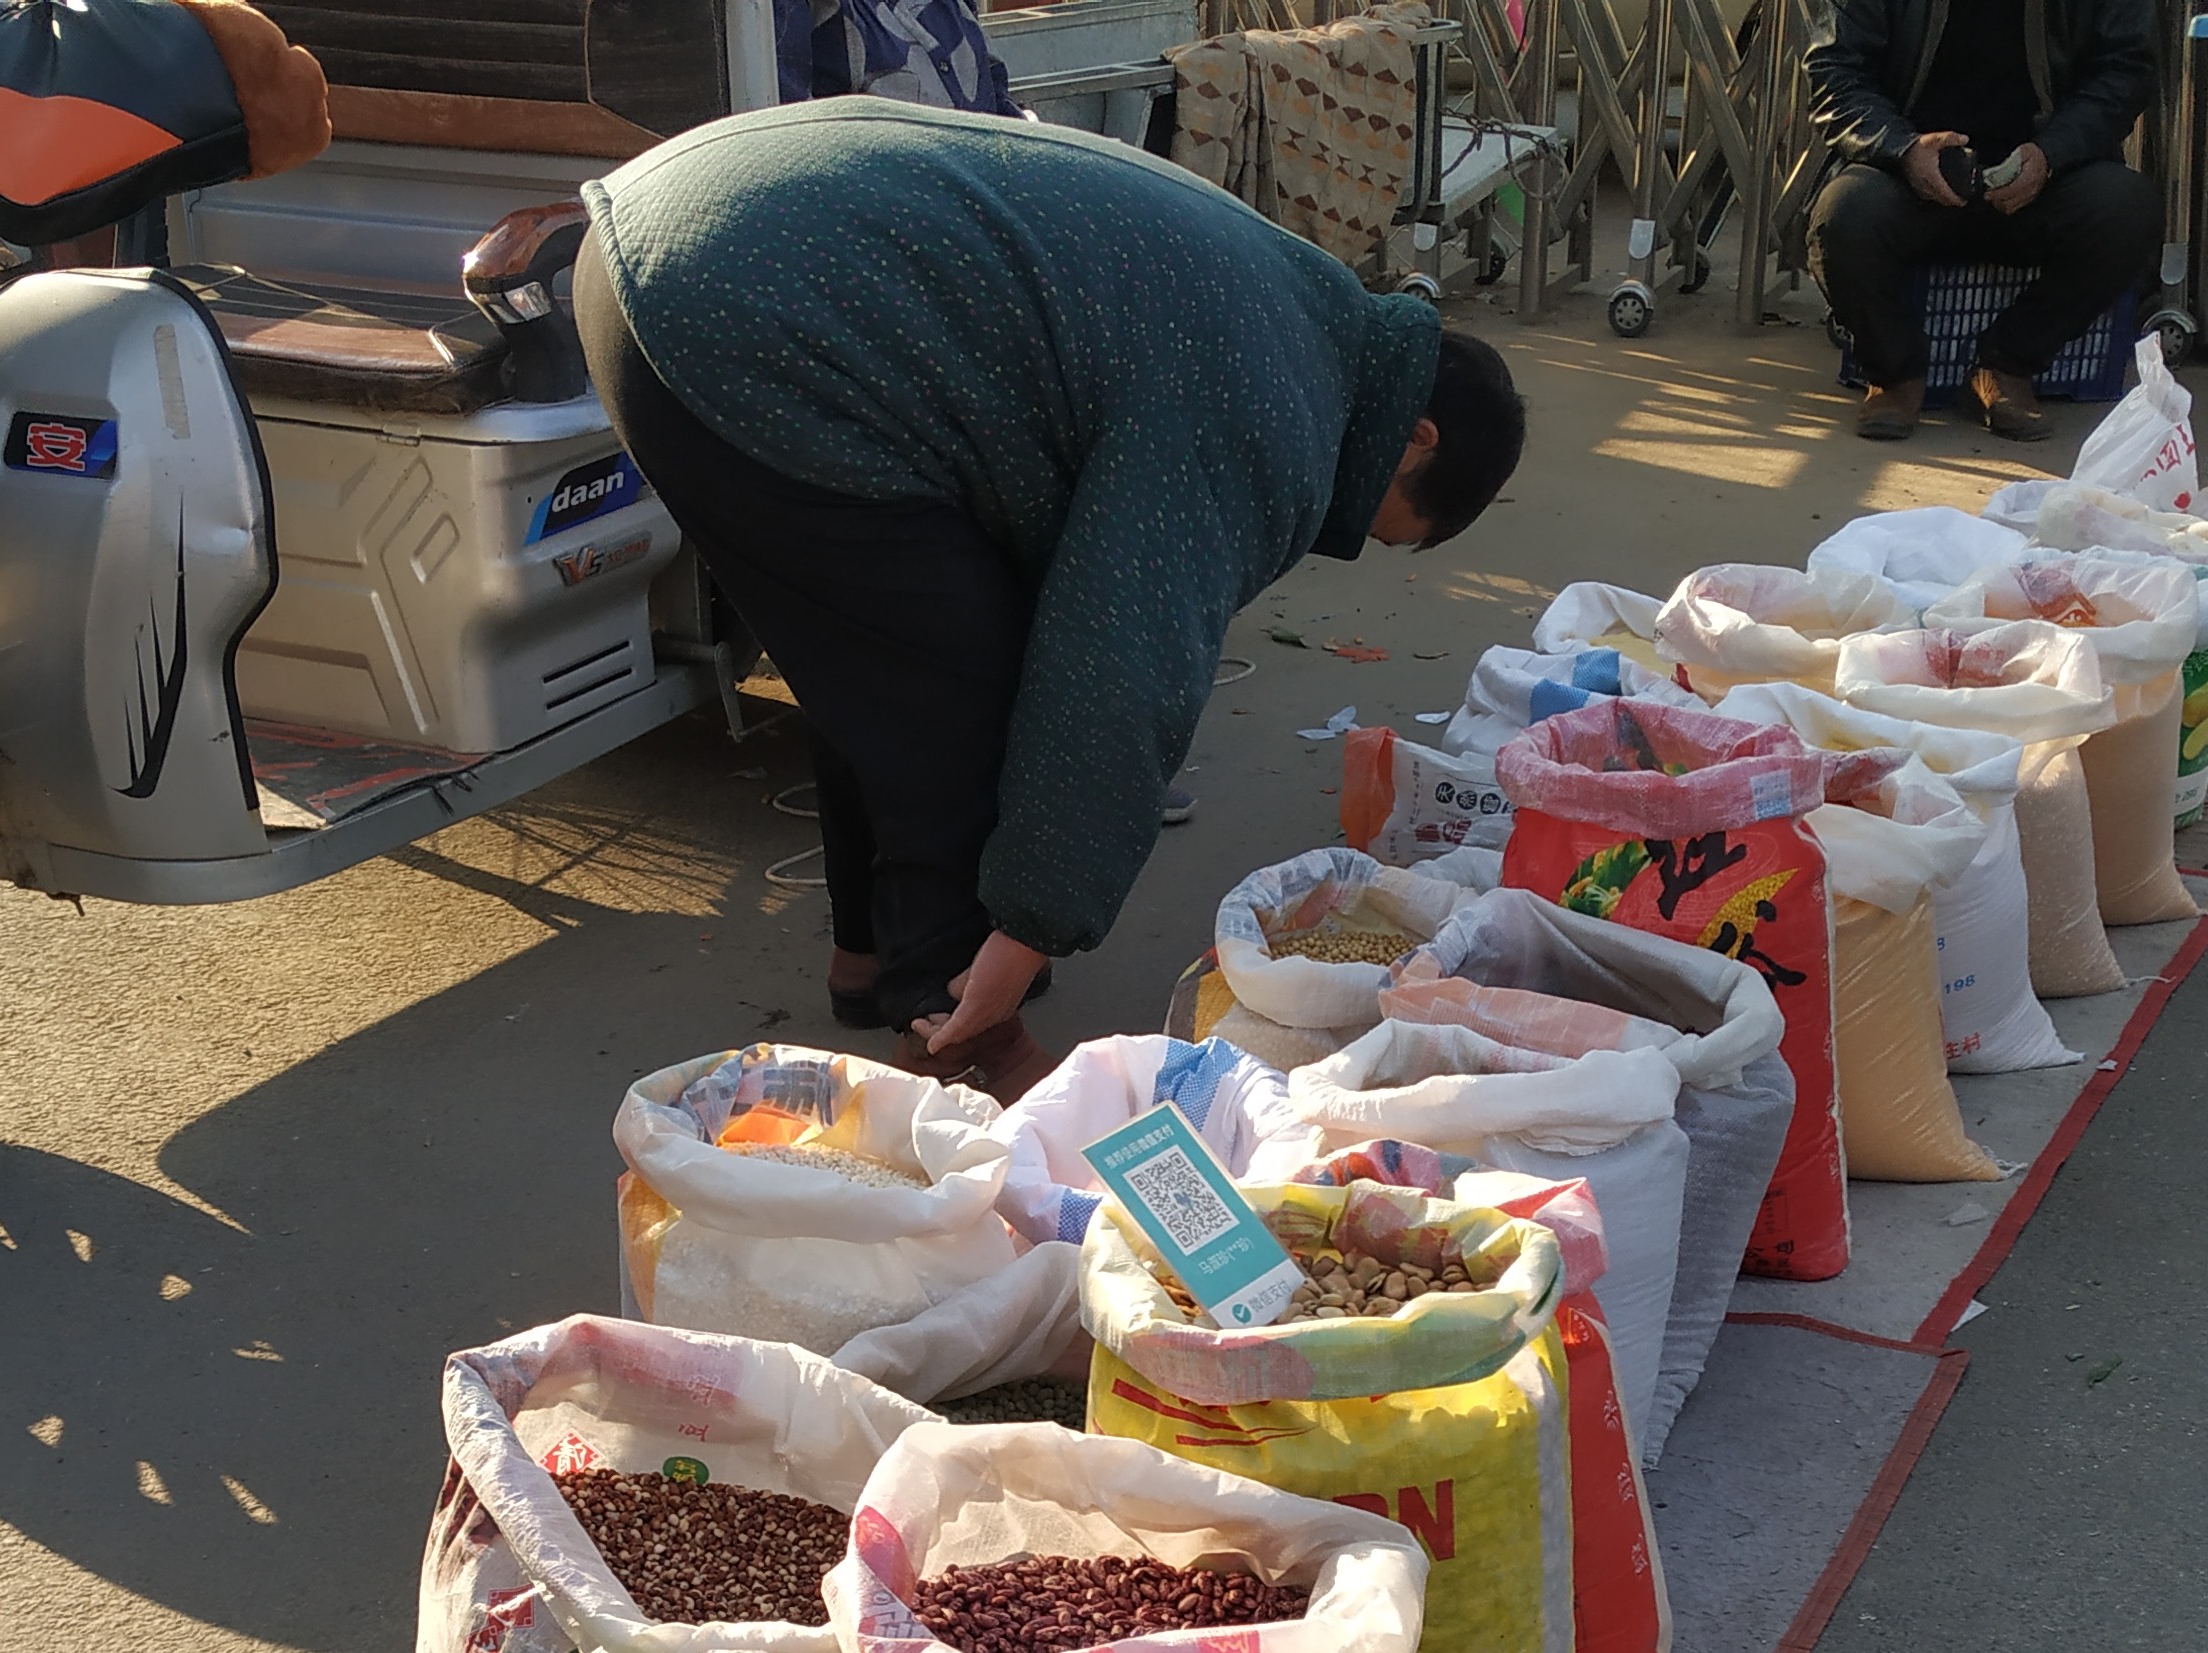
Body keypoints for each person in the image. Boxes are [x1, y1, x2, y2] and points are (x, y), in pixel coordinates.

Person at [577, 102, 1528, 1090]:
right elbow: (1118, 671)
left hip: (673, 240)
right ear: (1413, 438)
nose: (1343, 538)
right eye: (1380, 522)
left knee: (877, 647)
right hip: (736, 306)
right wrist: (1035, 927)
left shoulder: (1307, 316)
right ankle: (960, 1042)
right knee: (965, 700)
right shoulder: (1279, 405)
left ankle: (871, 962)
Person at [1804, 0, 2160, 441]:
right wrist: (1904, 149)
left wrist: (2052, 154)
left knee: (2126, 207)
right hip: (1906, 174)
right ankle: (1894, 374)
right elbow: (1835, 71)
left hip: (2044, 175)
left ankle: (2008, 365)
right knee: (1843, 215)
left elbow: (2125, 72)